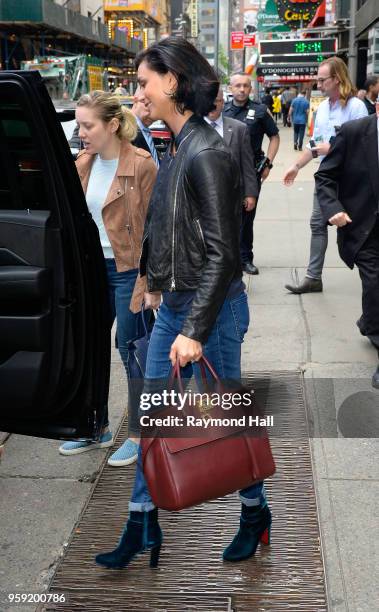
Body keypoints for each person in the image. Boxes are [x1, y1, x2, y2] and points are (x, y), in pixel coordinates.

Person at [95, 37, 271, 570]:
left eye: (144, 82)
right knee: (154, 420)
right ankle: (141, 525)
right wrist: (154, 280)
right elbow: (169, 227)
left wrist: (192, 329)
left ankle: (253, 512)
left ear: (172, 82)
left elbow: (224, 254)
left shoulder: (207, 151)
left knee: (228, 423)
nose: (137, 93)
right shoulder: (177, 143)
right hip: (178, 303)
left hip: (211, 311)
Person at [59, 91, 157, 462]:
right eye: (80, 125)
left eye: (88, 125)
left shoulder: (142, 165)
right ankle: (94, 426)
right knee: (92, 348)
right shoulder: (83, 162)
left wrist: (151, 282)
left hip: (128, 271)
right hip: (91, 270)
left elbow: (156, 229)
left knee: (131, 350)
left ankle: (139, 431)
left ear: (112, 125)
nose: (81, 132)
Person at [283, 56, 368, 294]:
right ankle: (313, 277)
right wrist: (296, 166)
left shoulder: (356, 107)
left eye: (322, 80)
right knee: (317, 223)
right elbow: (314, 144)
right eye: (317, 80)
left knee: (357, 228)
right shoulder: (321, 109)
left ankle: (370, 277)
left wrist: (332, 149)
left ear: (337, 78)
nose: (318, 85)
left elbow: (364, 146)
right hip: (327, 177)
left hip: (351, 180)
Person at [315, 109, 379, 389]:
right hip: (364, 229)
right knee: (376, 284)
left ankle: (370, 320)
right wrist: (334, 209)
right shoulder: (353, 133)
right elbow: (325, 176)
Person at [224, 73, 280, 275]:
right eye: (237, 85)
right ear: (230, 88)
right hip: (225, 171)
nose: (241, 89)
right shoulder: (221, 110)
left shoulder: (260, 110)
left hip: (251, 170)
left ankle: (246, 258)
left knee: (247, 216)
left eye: (245, 86)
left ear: (251, 89)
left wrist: (268, 163)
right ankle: (228, 258)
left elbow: (274, 136)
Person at [204, 86, 259, 238]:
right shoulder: (193, 128)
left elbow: (247, 164)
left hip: (232, 197)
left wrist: (250, 193)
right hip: (202, 196)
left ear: (223, 103)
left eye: (217, 101)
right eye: (209, 100)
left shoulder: (239, 128)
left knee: (231, 238)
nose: (213, 105)